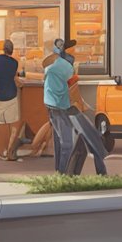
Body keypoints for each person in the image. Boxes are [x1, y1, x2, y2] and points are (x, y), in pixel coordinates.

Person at [58, 39, 109, 176]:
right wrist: (81, 105)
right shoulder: (68, 64)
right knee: (91, 140)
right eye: (73, 47)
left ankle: (71, 175)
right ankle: (100, 173)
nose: (75, 49)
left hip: (68, 108)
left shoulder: (61, 65)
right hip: (72, 109)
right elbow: (72, 90)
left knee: (82, 143)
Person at [42, 38, 78, 174]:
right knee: (68, 143)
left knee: (58, 140)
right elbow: (72, 83)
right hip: (61, 105)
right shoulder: (67, 66)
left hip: (50, 104)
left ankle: (58, 170)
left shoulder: (50, 66)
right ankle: (63, 173)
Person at [0, 39, 23, 161]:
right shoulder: (14, 63)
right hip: (11, 96)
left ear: (3, 49)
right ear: (12, 51)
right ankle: (10, 152)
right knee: (13, 126)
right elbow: (15, 79)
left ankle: (1, 152)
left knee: (0, 126)